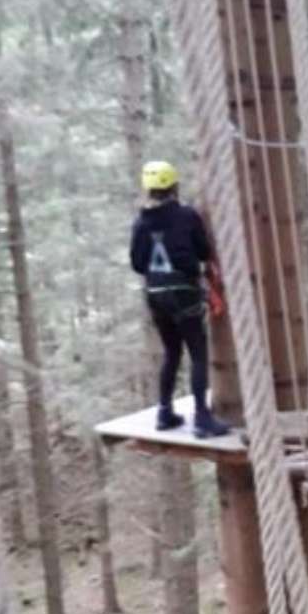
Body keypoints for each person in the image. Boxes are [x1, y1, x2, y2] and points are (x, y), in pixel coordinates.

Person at [129, 160, 230, 438]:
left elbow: (137, 263)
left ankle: (165, 412)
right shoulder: (187, 216)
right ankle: (202, 417)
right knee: (198, 353)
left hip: (156, 294)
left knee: (172, 352)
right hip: (182, 291)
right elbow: (202, 250)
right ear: (174, 186)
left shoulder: (140, 222)